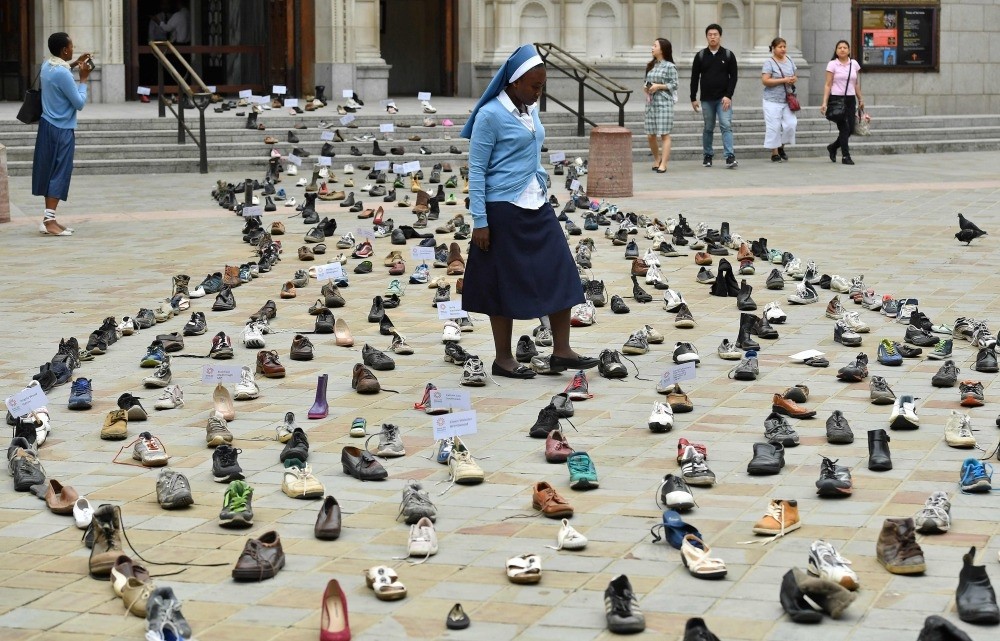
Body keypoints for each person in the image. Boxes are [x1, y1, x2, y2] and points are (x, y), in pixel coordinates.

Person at [460, 44, 598, 379]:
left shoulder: (529, 109)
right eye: (534, 87)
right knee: (502, 280)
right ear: (514, 82)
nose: (539, 93)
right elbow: (476, 170)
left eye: (542, 87)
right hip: (503, 208)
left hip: (536, 202)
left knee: (561, 268)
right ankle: (503, 357)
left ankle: (561, 351)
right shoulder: (490, 115)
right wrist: (480, 220)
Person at [32, 32, 91, 236]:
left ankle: (49, 218)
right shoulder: (62, 73)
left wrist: (75, 63)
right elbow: (79, 103)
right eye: (71, 47)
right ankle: (50, 222)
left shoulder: (47, 66)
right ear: (64, 50)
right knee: (59, 172)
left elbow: (61, 74)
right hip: (61, 129)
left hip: (47, 125)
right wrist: (83, 79)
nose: (73, 48)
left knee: (49, 171)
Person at [690, 23, 739, 169]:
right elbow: (694, 78)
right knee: (708, 127)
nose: (712, 37)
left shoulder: (728, 55)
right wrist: (693, 97)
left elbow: (734, 77)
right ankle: (708, 155)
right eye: (710, 35)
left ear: (720, 36)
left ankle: (730, 156)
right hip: (706, 99)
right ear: (706, 37)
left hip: (723, 99)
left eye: (715, 34)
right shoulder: (700, 56)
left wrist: (728, 95)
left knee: (726, 125)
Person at [820, 39, 864, 165]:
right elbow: (828, 84)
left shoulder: (854, 64)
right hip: (836, 99)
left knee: (850, 129)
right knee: (844, 128)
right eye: (840, 48)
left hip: (850, 99)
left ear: (849, 50)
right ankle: (846, 156)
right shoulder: (832, 64)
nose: (842, 49)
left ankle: (833, 147)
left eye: (845, 47)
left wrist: (860, 98)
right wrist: (824, 102)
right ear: (836, 51)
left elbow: (855, 84)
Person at [643, 38, 679, 173]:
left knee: (664, 134)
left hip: (664, 103)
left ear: (662, 49)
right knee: (650, 134)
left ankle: (664, 163)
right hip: (651, 103)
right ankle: (656, 159)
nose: (652, 48)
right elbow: (647, 81)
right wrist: (646, 87)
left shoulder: (670, 66)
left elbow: (675, 84)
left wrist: (659, 86)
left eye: (654, 45)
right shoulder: (651, 65)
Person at [760, 37, 798, 163]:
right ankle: (774, 152)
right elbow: (765, 81)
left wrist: (793, 79)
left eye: (784, 46)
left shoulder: (790, 59)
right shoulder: (769, 62)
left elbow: (794, 75)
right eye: (780, 47)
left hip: (787, 99)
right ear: (773, 49)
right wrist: (784, 80)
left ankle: (782, 146)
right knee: (774, 127)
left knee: (791, 124)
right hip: (772, 100)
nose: (783, 49)